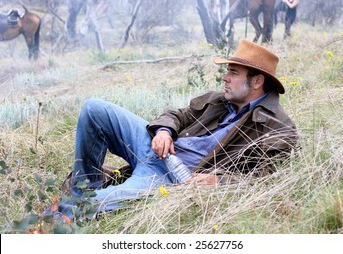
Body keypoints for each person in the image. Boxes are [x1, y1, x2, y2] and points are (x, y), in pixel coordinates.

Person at [46, 39, 299, 221]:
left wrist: (219, 181)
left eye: (233, 73)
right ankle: (82, 189)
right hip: (156, 147)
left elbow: (268, 177)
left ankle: (65, 214)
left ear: (257, 81)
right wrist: (164, 131)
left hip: (168, 178)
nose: (225, 78)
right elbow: (178, 115)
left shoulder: (278, 127)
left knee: (96, 205)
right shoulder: (219, 99)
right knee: (93, 109)